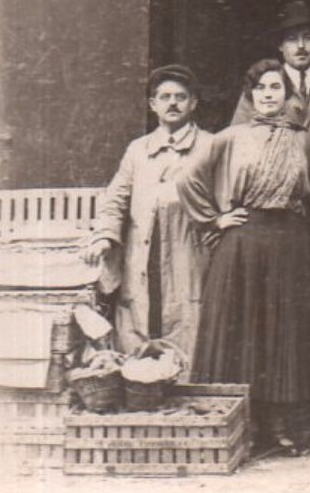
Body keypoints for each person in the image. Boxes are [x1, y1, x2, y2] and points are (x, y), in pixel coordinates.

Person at [180, 59, 310, 455]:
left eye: (276, 88)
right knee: (244, 330)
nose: (269, 95)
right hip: (244, 243)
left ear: (287, 95)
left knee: (281, 333)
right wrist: (216, 219)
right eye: (262, 88)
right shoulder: (230, 137)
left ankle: (280, 424)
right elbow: (187, 179)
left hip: (290, 243)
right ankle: (241, 423)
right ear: (250, 95)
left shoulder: (304, 139)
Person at [82, 65, 214, 369]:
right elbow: (115, 201)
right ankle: (140, 391)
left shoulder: (210, 146)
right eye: (164, 97)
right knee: (137, 323)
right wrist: (104, 236)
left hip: (188, 254)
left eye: (181, 97)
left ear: (193, 103)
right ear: (152, 104)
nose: (173, 104)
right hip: (142, 255)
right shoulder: (138, 151)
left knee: (187, 322)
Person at [232, 1, 310, 143]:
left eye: (308, 37)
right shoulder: (260, 85)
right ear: (280, 45)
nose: (301, 46)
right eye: (292, 39)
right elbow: (237, 141)